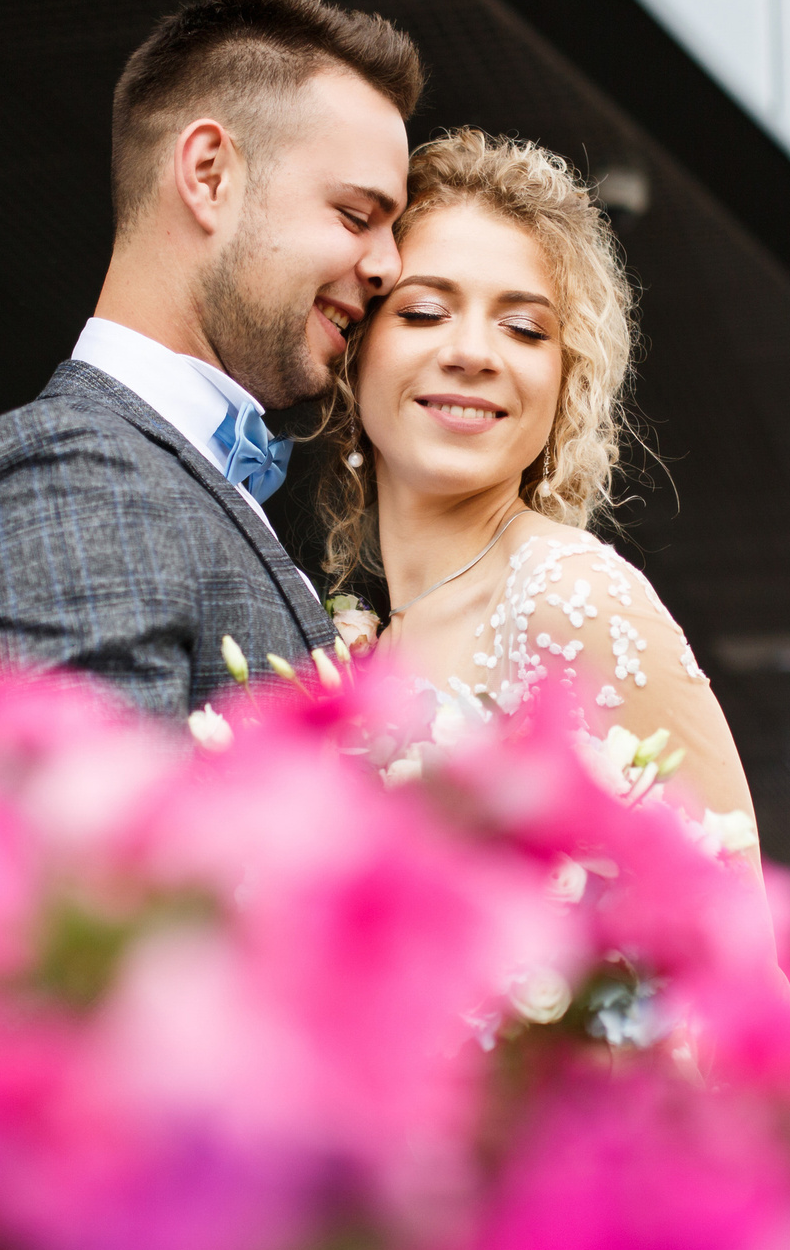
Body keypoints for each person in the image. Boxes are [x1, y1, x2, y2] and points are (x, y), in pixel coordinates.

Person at [0, 0, 423, 715]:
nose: (389, 267)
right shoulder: (67, 477)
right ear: (209, 175)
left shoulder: (168, 479)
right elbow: (71, 793)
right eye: (355, 214)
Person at [315, 129, 757, 836]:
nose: (471, 353)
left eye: (523, 328)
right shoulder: (358, 648)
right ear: (357, 350)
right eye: (424, 312)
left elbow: (725, 903)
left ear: (566, 380)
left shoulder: (574, 600)